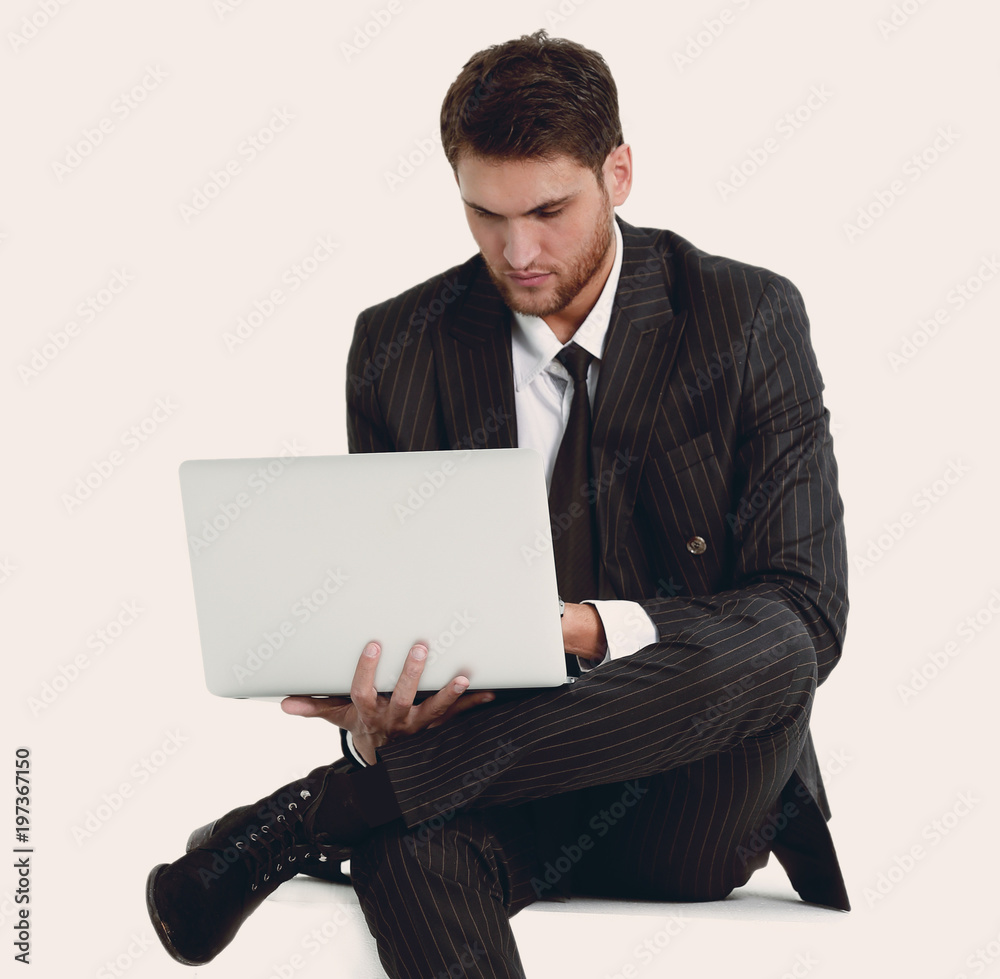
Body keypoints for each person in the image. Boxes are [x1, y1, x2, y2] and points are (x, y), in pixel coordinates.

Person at [146, 29, 850, 977]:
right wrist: (380, 718)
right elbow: (394, 605)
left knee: (779, 643)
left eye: (550, 210)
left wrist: (582, 628)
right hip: (493, 795)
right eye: (484, 214)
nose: (517, 251)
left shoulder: (747, 315)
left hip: (693, 795)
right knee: (406, 845)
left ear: (620, 173)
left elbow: (810, 614)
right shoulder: (398, 345)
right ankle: (379, 793)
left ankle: (325, 809)